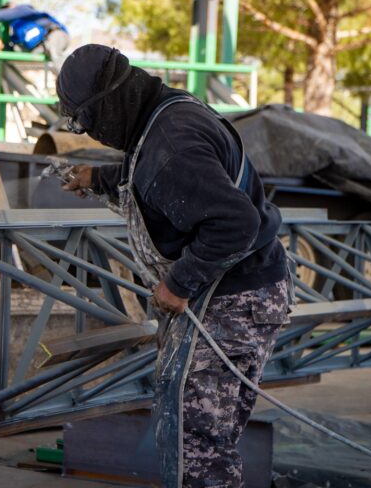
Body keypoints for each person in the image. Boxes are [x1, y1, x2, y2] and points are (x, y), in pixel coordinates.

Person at [57, 44, 291, 488]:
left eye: (88, 125)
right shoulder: (165, 109)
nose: (91, 135)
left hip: (231, 299)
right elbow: (155, 169)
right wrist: (99, 178)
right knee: (194, 432)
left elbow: (236, 222)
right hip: (238, 289)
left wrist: (178, 284)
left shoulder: (171, 146)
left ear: (106, 109)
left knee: (196, 445)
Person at [0, 4, 69, 73]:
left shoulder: (24, 10)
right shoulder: (17, 31)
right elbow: (12, 50)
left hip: (55, 34)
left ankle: (72, 82)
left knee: (54, 53)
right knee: (13, 62)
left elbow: (2, 15)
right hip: (40, 46)